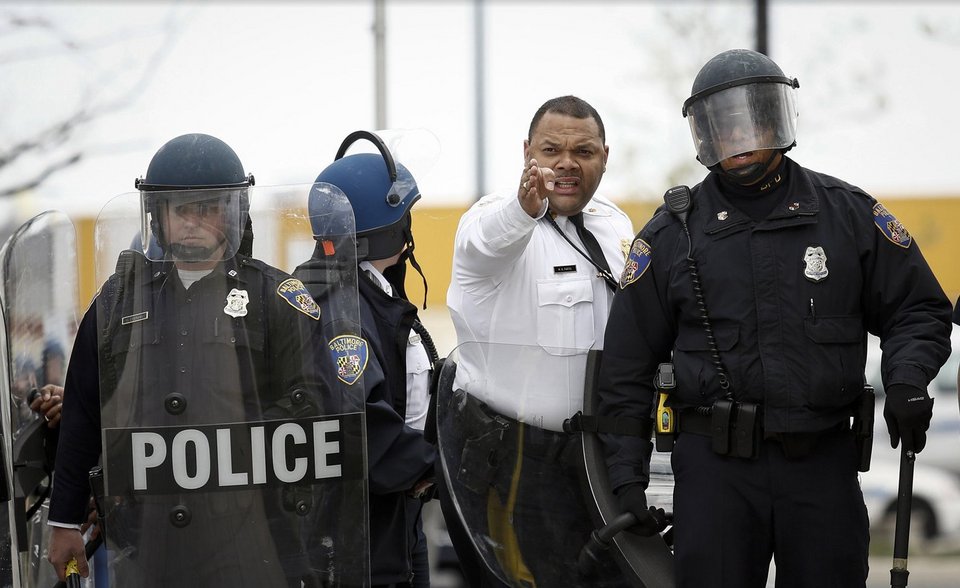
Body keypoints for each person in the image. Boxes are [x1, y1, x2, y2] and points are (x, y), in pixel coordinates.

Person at [597, 48, 953, 588]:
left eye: (750, 118)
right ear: (702, 134)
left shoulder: (847, 215)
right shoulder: (671, 236)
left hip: (821, 465)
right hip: (716, 476)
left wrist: (907, 381)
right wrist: (626, 478)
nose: (737, 136)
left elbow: (919, 309)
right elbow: (626, 367)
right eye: (721, 124)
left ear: (776, 118)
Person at [46, 133, 332, 586]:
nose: (192, 222)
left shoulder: (276, 300)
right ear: (158, 216)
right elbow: (83, 411)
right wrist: (63, 521)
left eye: (206, 209)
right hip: (147, 537)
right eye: (181, 209)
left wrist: (228, 452)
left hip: (252, 530)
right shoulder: (118, 304)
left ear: (233, 213)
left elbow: (313, 410)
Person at [445, 95, 634, 586]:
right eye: (551, 151)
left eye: (584, 152)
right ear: (528, 152)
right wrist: (524, 208)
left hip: (600, 460)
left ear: (605, 157)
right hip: (517, 463)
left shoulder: (614, 225)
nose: (567, 164)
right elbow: (484, 245)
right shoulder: (495, 219)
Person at [294, 130, 438, 588]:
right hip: (360, 543)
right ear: (390, 227)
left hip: (391, 522)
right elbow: (363, 430)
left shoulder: (364, 293)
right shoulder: (340, 308)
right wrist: (445, 466)